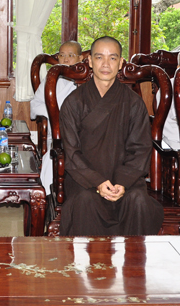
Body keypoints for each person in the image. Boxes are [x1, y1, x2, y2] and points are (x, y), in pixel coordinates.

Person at [59, 36, 163, 236]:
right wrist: (97, 181)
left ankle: (133, 257)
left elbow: (140, 149)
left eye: (112, 58)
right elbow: (71, 152)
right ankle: (89, 258)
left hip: (126, 180)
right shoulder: (73, 102)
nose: (106, 64)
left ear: (121, 63)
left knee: (138, 201)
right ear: (90, 61)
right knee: (85, 201)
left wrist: (122, 182)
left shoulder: (134, 103)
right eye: (99, 57)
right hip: (85, 180)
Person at [30, 40, 82, 193]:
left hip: (85, 134)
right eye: (62, 55)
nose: (65, 59)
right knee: (54, 156)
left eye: (71, 55)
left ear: (80, 59)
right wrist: (57, 114)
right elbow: (35, 105)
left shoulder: (89, 79)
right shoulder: (51, 78)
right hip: (59, 132)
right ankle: (50, 196)